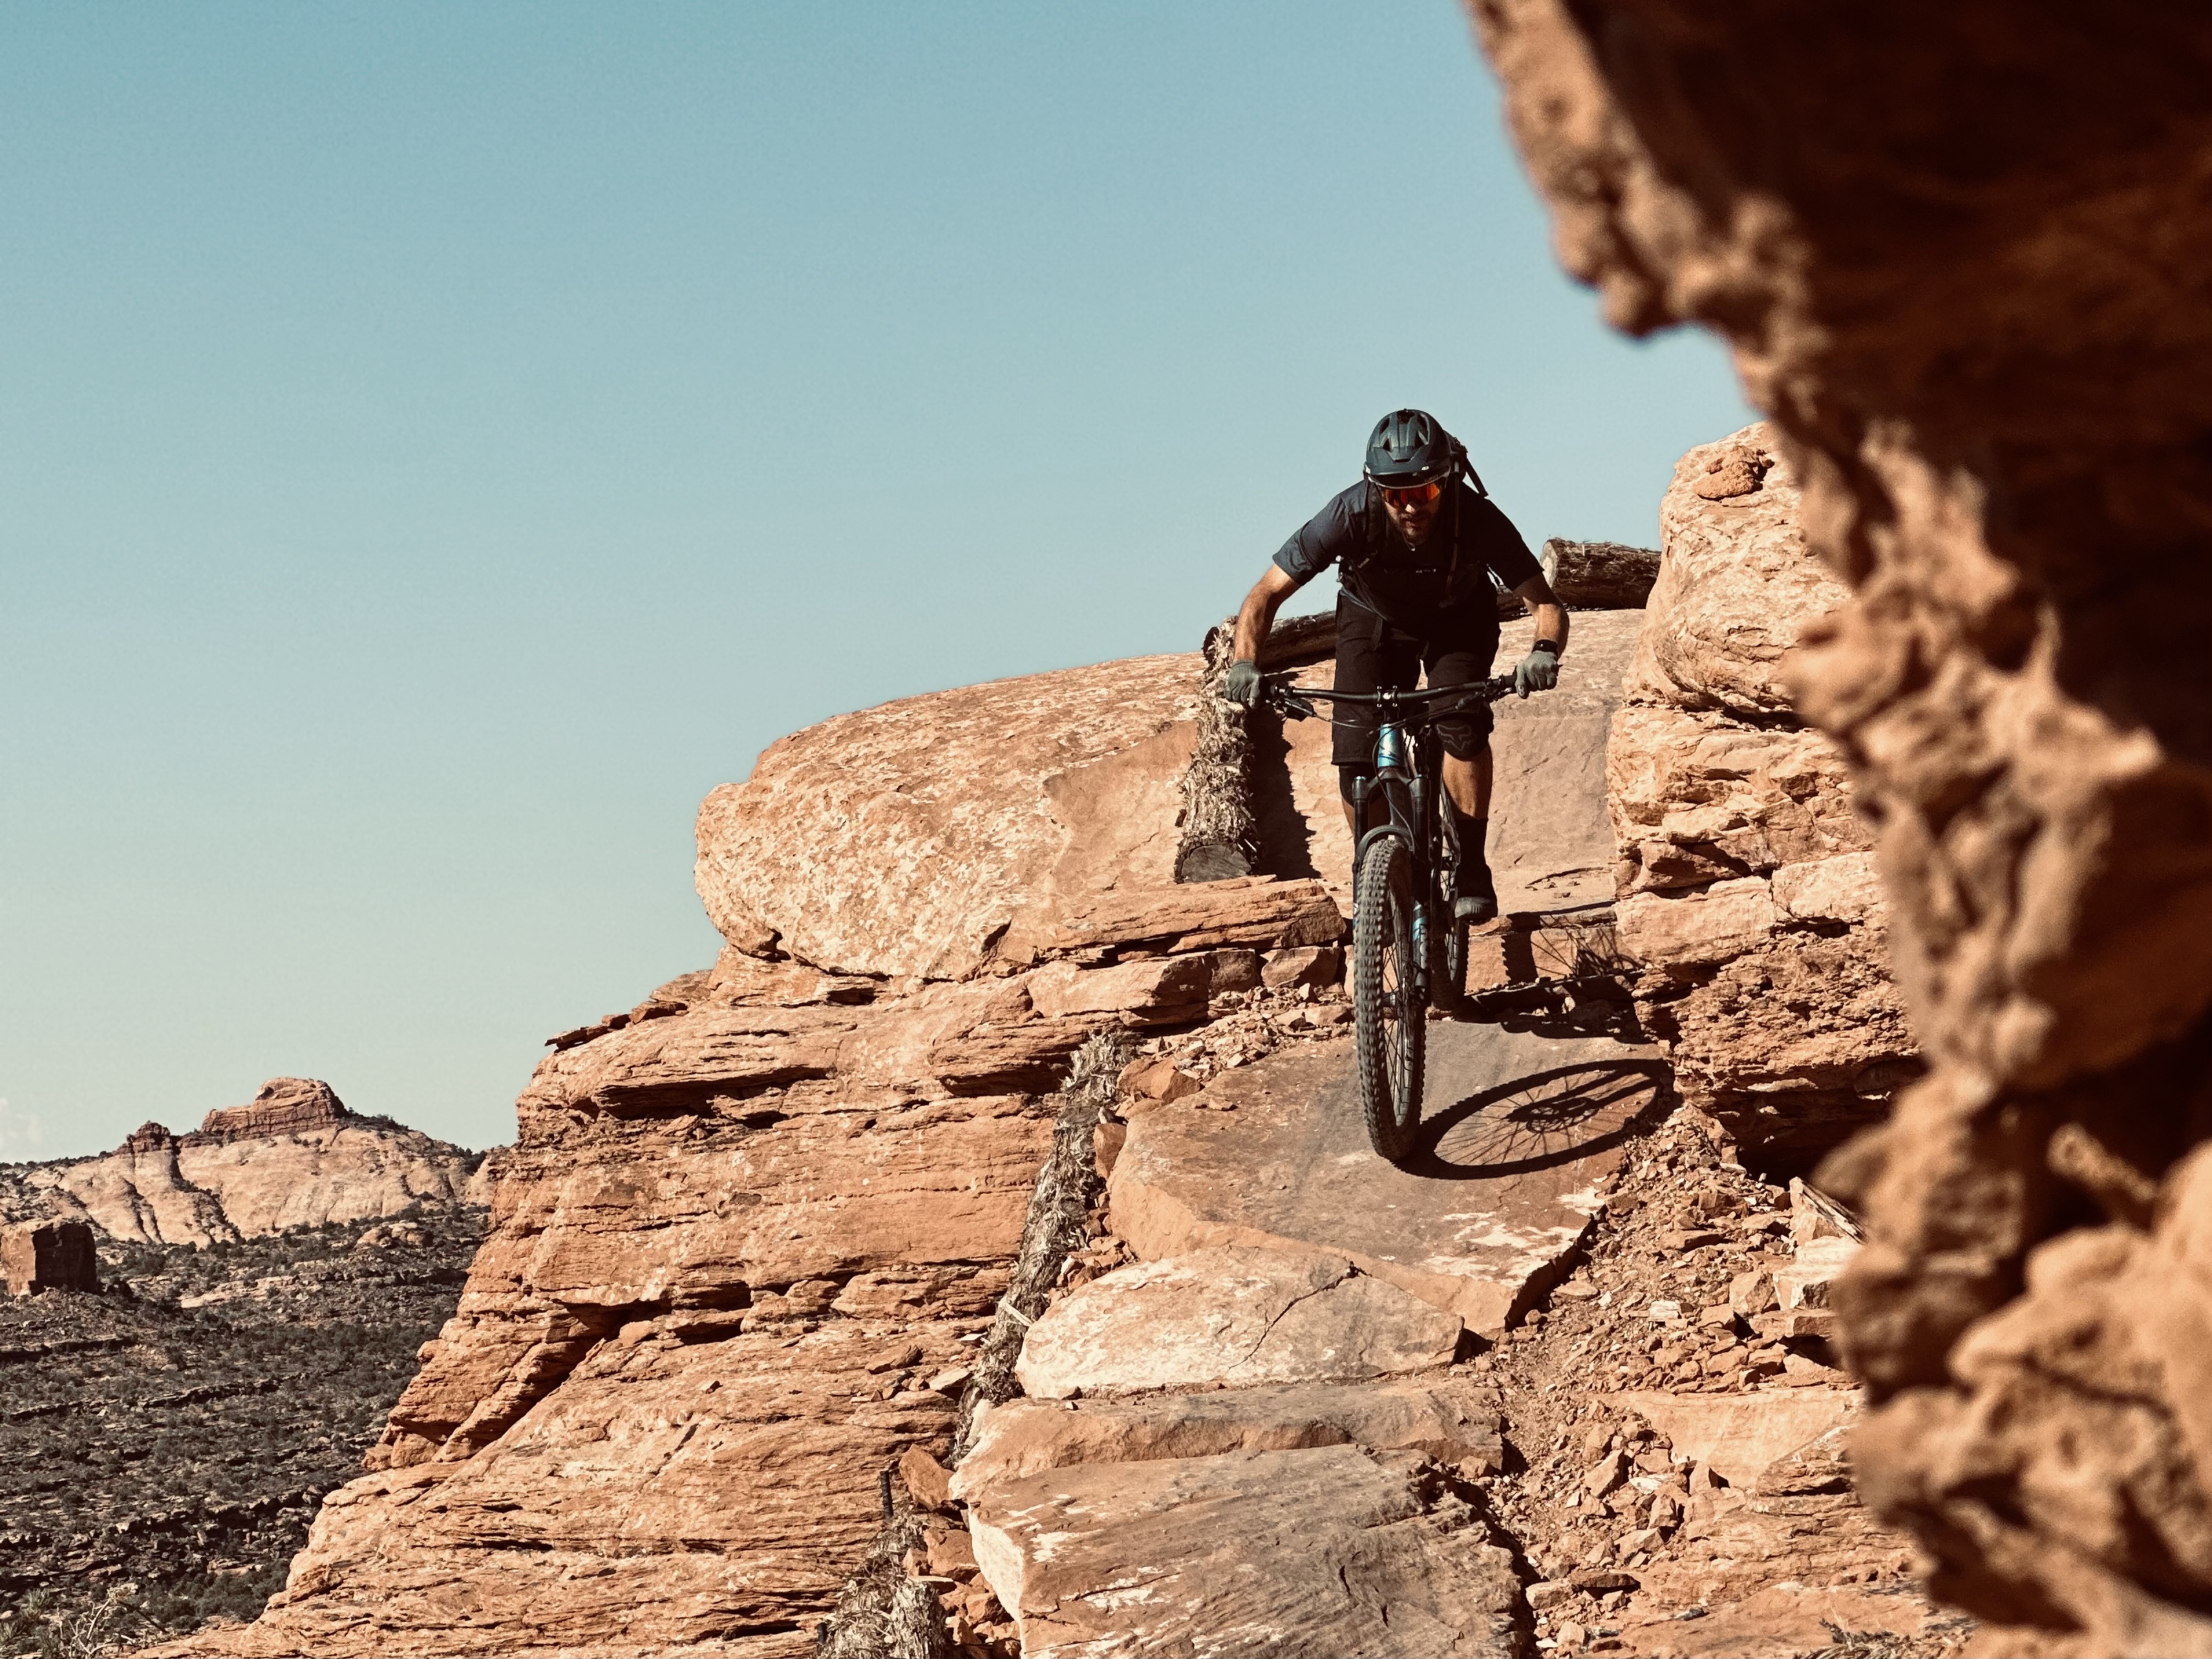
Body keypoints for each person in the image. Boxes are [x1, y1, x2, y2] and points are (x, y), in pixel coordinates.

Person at [1220, 409, 1568, 925]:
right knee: (1354, 754)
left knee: (1460, 722)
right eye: (1395, 494)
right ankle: (1380, 874)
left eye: (1423, 493)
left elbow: (1546, 605)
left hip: (1458, 621)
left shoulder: (1475, 518)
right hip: (1374, 619)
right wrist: (1245, 661)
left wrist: (1543, 651)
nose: (1410, 507)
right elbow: (1264, 595)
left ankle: (1472, 863)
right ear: (1375, 489)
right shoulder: (1349, 514)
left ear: (1445, 482)